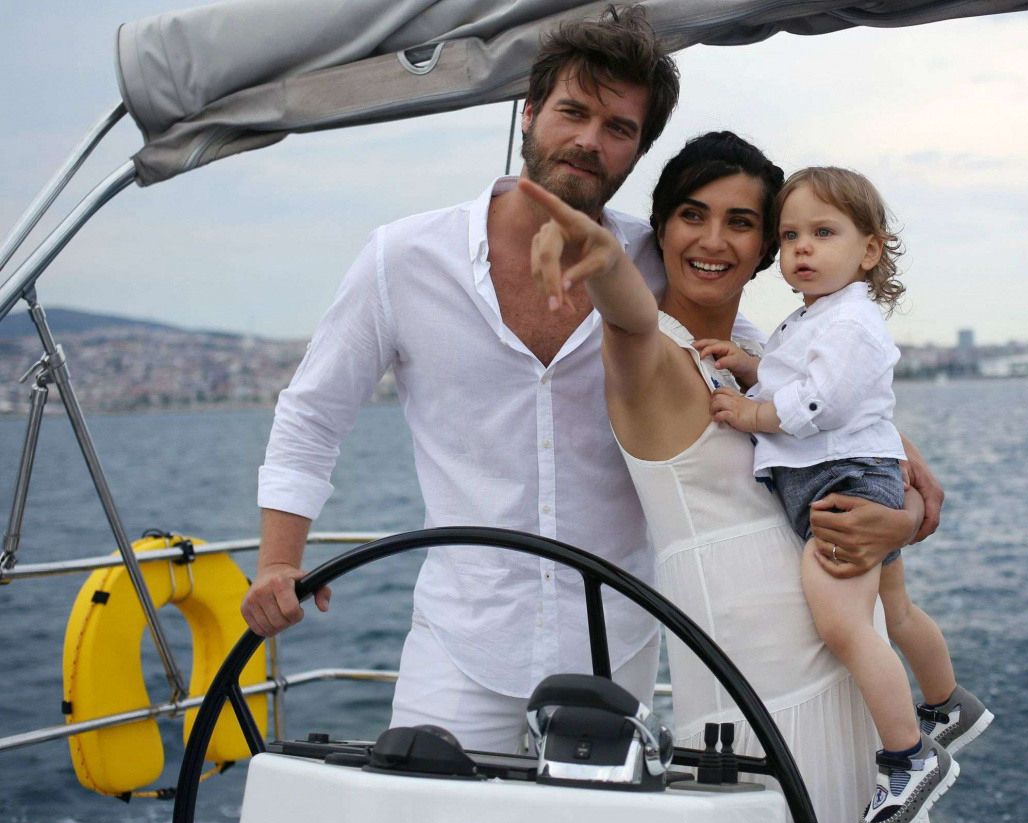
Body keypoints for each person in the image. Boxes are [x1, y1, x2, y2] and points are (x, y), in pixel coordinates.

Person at [242, 5, 944, 763]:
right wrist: (279, 561)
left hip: (615, 641)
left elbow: (780, 368)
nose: (589, 140)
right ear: (529, 110)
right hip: (460, 642)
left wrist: (896, 461)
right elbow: (312, 415)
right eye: (573, 111)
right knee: (423, 812)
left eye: (618, 128)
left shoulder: (654, 262)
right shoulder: (403, 258)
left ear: (637, 150)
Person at [521, 132, 942, 823]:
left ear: (766, 247)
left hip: (850, 668)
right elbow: (627, 316)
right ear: (660, 229)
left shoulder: (779, 360)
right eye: (692, 215)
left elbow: (878, 468)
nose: (713, 240)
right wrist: (605, 261)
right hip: (753, 696)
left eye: (740, 222)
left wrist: (898, 522)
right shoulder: (652, 355)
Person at [703, 166, 992, 823]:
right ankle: (949, 704)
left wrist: (751, 412)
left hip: (839, 484)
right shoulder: (818, 316)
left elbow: (818, 400)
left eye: (823, 233)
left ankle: (908, 755)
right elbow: (797, 374)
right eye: (789, 236)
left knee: (844, 625)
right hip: (853, 475)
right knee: (895, 609)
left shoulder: (852, 321)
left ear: (868, 250)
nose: (801, 247)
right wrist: (749, 366)